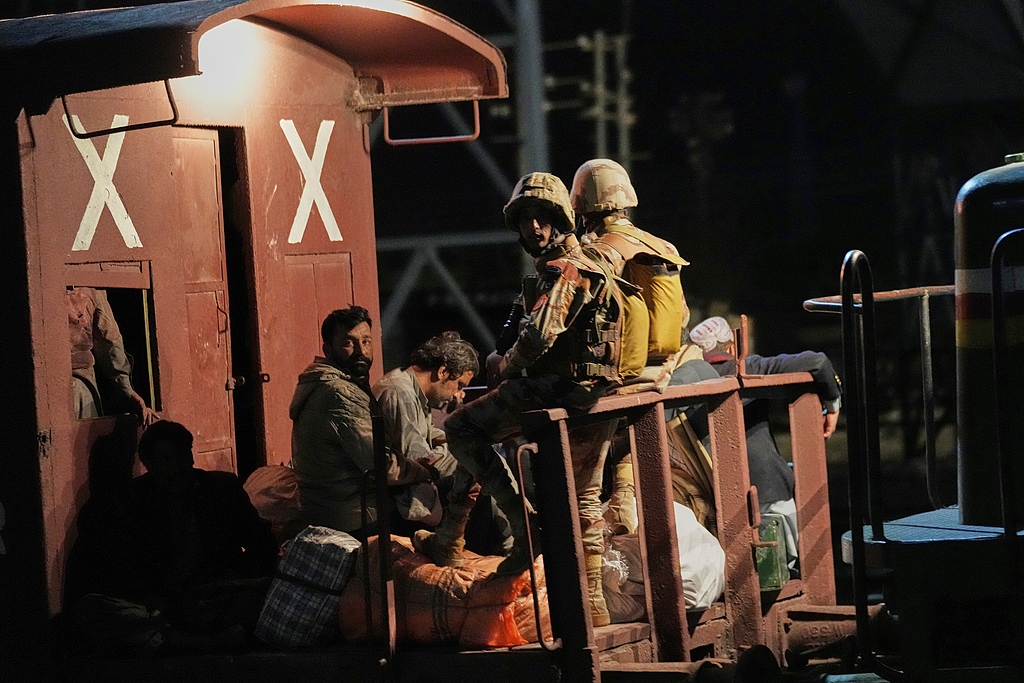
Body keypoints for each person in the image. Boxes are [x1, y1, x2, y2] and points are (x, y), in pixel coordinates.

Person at [413, 172, 622, 626]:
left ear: (560, 219)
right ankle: (595, 609)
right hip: (592, 392)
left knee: (460, 429)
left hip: (557, 390)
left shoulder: (565, 269)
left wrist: (505, 367)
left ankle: (524, 533)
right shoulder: (592, 261)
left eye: (541, 218)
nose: (532, 229)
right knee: (585, 500)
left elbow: (540, 335)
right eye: (525, 220)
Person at [66, 420, 278, 655]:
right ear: (149, 465)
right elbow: (121, 567)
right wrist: (153, 599)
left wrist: (234, 579)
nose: (177, 468)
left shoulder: (221, 489)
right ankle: (195, 641)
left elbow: (262, 544)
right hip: (165, 605)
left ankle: (169, 637)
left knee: (270, 592)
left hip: (216, 595)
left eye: (182, 458)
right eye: (166, 461)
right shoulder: (132, 502)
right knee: (90, 610)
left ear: (191, 457)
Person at [571, 158, 697, 534]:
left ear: (583, 206)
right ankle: (624, 516)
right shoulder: (662, 245)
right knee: (625, 455)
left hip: (614, 379)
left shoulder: (601, 251)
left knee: (582, 493)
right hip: (660, 373)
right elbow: (683, 316)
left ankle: (591, 581)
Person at [689, 316, 842, 568]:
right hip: (768, 494)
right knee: (782, 573)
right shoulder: (749, 369)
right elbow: (817, 362)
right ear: (731, 348)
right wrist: (833, 403)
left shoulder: (681, 382)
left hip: (707, 507)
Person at [289, 306, 436, 536]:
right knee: (452, 499)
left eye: (366, 342)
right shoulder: (339, 393)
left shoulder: (338, 383)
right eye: (349, 343)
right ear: (328, 349)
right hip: (354, 516)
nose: (361, 351)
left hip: (336, 507)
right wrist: (423, 471)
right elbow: (382, 466)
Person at [68, 286, 158, 426]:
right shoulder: (88, 286)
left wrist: (128, 391)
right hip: (79, 389)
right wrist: (127, 390)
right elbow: (109, 341)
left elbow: (109, 341)